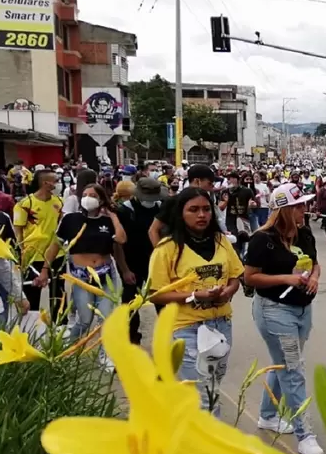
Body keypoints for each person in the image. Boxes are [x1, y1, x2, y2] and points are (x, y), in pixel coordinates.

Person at [244, 183, 324, 454]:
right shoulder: (262, 239)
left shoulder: (304, 233)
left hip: (302, 309)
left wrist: (313, 277)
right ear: (285, 209)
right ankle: (305, 435)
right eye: (299, 205)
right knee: (293, 369)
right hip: (274, 309)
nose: (305, 209)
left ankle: (267, 415)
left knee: (284, 363)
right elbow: (250, 277)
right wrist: (286, 278)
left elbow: (315, 262)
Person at [147, 187, 244, 416]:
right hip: (186, 328)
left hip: (220, 325)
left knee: (213, 385)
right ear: (181, 213)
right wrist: (193, 296)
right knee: (204, 394)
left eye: (206, 209)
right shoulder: (167, 248)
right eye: (193, 210)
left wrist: (228, 291)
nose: (201, 215)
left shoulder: (221, 241)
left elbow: (235, 276)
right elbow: (155, 293)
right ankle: (209, 447)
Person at [37, 184, 126, 348]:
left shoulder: (107, 221)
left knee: (106, 318)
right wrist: (44, 271)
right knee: (85, 320)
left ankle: (105, 356)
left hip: (105, 275)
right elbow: (54, 247)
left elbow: (120, 241)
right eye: (85, 194)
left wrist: (113, 218)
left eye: (92, 195)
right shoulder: (70, 220)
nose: (87, 198)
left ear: (100, 200)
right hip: (81, 277)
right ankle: (70, 348)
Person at [115, 177, 165, 345]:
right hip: (132, 263)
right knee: (130, 303)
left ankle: (167, 338)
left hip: (156, 263)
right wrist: (125, 269)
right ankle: (131, 340)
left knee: (162, 301)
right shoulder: (124, 211)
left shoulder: (161, 208)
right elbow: (118, 244)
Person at [13, 170, 64, 313]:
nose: (58, 183)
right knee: (31, 298)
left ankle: (58, 328)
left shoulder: (59, 202)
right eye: (55, 180)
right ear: (45, 183)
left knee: (58, 298)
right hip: (33, 257)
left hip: (56, 255)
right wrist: (22, 254)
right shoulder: (25, 204)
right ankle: (29, 331)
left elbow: (61, 227)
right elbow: (18, 231)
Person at [222, 172, 255, 259]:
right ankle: (238, 259)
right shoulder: (225, 192)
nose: (231, 181)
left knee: (244, 238)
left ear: (238, 180)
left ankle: (243, 256)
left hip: (244, 219)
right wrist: (226, 201)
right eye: (229, 179)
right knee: (235, 239)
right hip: (231, 219)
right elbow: (220, 207)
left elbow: (254, 204)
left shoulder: (247, 190)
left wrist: (252, 205)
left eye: (233, 178)